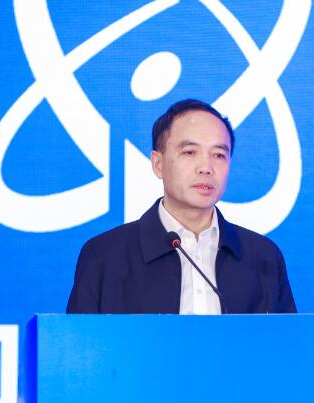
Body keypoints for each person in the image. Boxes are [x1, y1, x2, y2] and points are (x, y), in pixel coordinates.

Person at [66, 99, 296, 314]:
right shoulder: (104, 256)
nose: (206, 168)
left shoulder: (263, 257)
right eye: (189, 152)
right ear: (158, 164)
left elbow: (288, 342)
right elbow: (79, 342)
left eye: (218, 155)